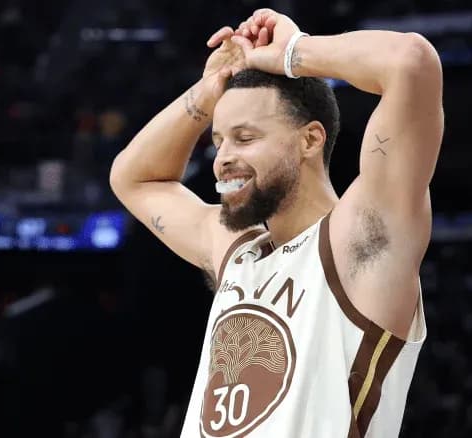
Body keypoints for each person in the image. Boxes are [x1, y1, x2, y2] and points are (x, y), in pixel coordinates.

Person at [110, 8, 443, 437]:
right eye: (218, 141)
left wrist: (293, 53)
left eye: (245, 138)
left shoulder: (359, 237)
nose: (223, 158)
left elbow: (410, 63)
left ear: (310, 139)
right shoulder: (236, 251)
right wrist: (210, 89)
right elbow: (132, 178)